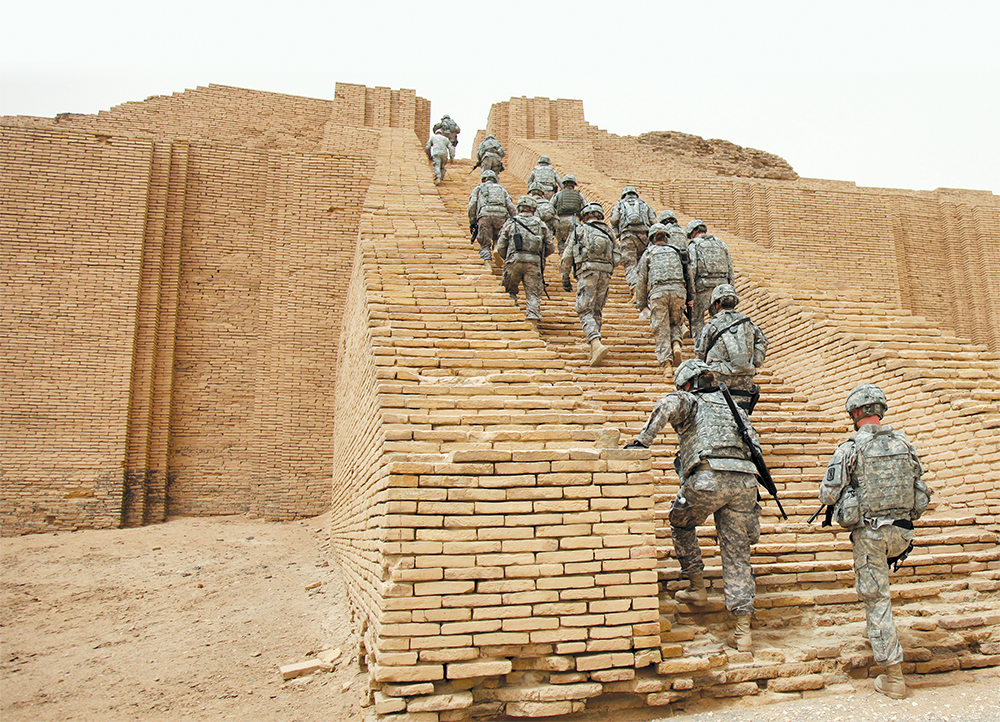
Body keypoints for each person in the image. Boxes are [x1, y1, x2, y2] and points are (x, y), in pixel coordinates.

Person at [625, 359, 762, 652]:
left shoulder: (690, 399)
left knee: (681, 521)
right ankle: (743, 632)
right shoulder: (734, 408)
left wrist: (642, 442)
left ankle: (697, 587)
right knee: (737, 551)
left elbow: (667, 405)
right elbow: (755, 445)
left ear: (688, 384)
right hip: (745, 483)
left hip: (707, 477)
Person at [819, 384, 930, 699]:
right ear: (880, 410)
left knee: (878, 600)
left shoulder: (850, 447)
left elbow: (827, 494)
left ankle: (893, 677)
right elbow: (917, 480)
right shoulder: (904, 442)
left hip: (870, 535)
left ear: (855, 413)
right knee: (881, 598)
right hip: (903, 532)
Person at [561, 202, 620, 366]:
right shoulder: (608, 231)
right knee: (596, 310)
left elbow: (567, 255)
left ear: (586, 216)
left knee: (584, 308)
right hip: (605, 274)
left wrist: (565, 275)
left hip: (587, 272)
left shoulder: (580, 229)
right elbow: (618, 256)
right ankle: (595, 348)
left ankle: (595, 342)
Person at [694, 284, 768, 414]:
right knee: (741, 417)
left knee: (719, 415)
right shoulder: (748, 323)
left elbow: (700, 351)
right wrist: (756, 361)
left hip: (718, 376)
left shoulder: (712, 324)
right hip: (744, 376)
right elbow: (762, 341)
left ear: (717, 303)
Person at [494, 195, 555, 331]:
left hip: (513, 260)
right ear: (533, 209)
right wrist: (538, 257)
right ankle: (533, 323)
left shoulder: (511, 222)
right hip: (534, 262)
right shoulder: (540, 224)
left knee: (510, 290)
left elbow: (501, 246)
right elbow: (550, 247)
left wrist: (508, 259)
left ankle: (512, 318)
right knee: (533, 293)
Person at [636, 223, 692, 371]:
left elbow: (641, 280)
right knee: (676, 322)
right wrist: (690, 296)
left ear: (652, 239)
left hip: (658, 293)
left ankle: (666, 364)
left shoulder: (648, 253)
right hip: (678, 291)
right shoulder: (677, 252)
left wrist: (641, 303)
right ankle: (676, 345)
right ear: (667, 238)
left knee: (661, 328)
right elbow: (689, 275)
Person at [686, 219, 735, 342]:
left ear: (693, 231)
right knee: (722, 321)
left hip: (703, 289)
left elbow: (692, 270)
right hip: (722, 288)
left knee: (697, 320)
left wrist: (690, 294)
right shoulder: (721, 244)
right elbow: (730, 269)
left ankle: (700, 351)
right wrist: (731, 290)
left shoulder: (694, 245)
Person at [608, 187, 656, 296]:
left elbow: (614, 219)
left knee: (630, 264)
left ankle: (636, 289)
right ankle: (647, 288)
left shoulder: (620, 204)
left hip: (628, 236)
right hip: (645, 237)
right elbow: (653, 221)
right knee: (644, 263)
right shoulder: (644, 204)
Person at [468, 170, 516, 264]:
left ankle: (487, 262)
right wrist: (515, 219)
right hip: (501, 216)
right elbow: (510, 205)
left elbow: (472, 204)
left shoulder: (478, 188)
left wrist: (472, 220)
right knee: (499, 237)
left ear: (484, 179)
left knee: (485, 243)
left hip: (485, 216)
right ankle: (497, 248)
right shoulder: (501, 189)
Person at [551, 174, 587, 255]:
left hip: (560, 222)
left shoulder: (558, 194)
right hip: (575, 221)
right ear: (574, 185)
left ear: (564, 184)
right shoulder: (579, 195)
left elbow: (550, 207)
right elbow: (586, 208)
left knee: (561, 242)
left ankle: (562, 260)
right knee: (574, 244)